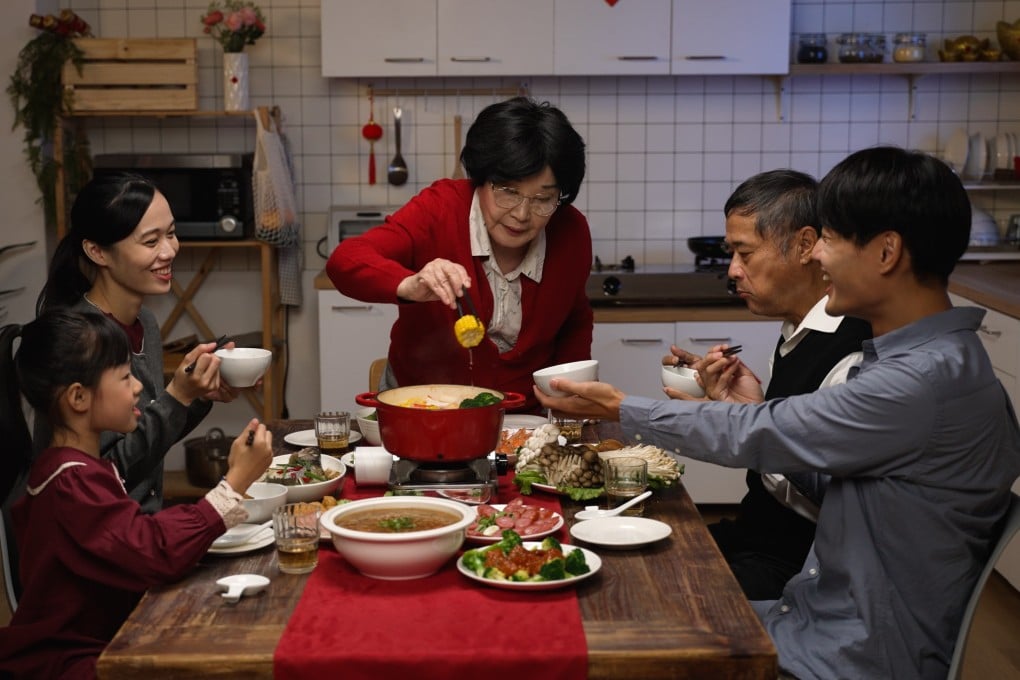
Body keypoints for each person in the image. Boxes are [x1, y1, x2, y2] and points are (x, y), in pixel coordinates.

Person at [535, 146, 1020, 680]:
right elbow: (844, 475)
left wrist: (620, 408)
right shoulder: (932, 361)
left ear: (885, 253)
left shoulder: (919, 380)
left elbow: (767, 432)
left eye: (830, 238)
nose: (818, 257)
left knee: (604, 631)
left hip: (847, 656)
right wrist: (759, 417)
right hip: (807, 616)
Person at [0, 309, 272, 679]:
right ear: (78, 397)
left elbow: (130, 539)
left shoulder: (80, 469)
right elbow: (152, 549)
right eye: (125, 377)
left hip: (113, 641)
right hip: (78, 664)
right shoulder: (69, 484)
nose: (139, 387)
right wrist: (233, 484)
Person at [662, 169, 871, 600]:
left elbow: (838, 502)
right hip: (754, 539)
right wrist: (748, 416)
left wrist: (746, 426)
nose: (733, 271)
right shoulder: (798, 329)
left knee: (661, 593)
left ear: (805, 245)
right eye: (730, 253)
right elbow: (784, 446)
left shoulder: (851, 352)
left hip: (802, 570)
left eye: (745, 253)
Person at [327, 96, 592, 413]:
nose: (522, 214)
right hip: (421, 404)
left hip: (525, 415)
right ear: (480, 179)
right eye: (508, 191)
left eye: (543, 198)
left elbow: (574, 319)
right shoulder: (440, 209)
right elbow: (345, 260)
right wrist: (409, 285)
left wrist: (569, 400)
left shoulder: (571, 231)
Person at [34, 172, 239, 513]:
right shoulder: (80, 342)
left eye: (171, 234)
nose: (170, 250)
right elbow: (106, 473)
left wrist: (196, 395)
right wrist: (178, 396)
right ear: (97, 251)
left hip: (141, 523)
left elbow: (145, 439)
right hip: (101, 537)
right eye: (150, 241)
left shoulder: (145, 323)